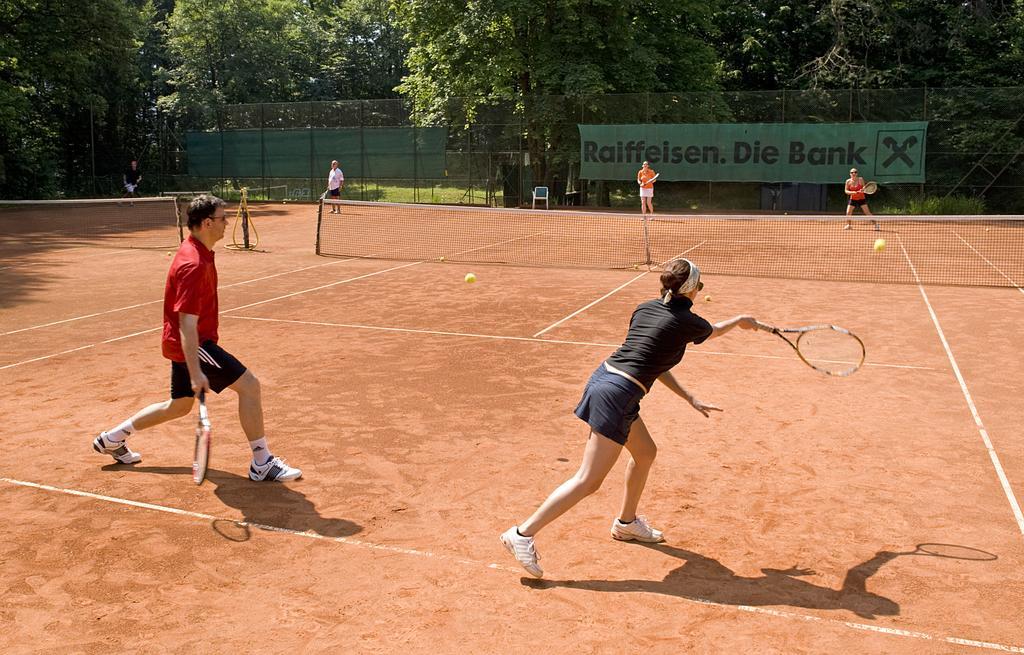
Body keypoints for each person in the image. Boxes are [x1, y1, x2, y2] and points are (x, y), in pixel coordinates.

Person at [499, 259, 762, 578]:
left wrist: (689, 397)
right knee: (588, 480)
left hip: (604, 379)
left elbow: (654, 362)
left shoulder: (645, 308)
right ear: (691, 290)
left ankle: (626, 523)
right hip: (618, 394)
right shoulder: (688, 322)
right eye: (700, 287)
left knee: (645, 453)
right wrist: (742, 320)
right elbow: (714, 330)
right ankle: (523, 533)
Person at [92, 195, 302, 483]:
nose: (226, 222)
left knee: (179, 405)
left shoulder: (197, 250)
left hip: (184, 342)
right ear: (206, 223)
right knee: (250, 387)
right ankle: (262, 462)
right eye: (222, 218)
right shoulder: (193, 264)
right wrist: (195, 372)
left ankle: (113, 438)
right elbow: (187, 325)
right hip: (195, 344)